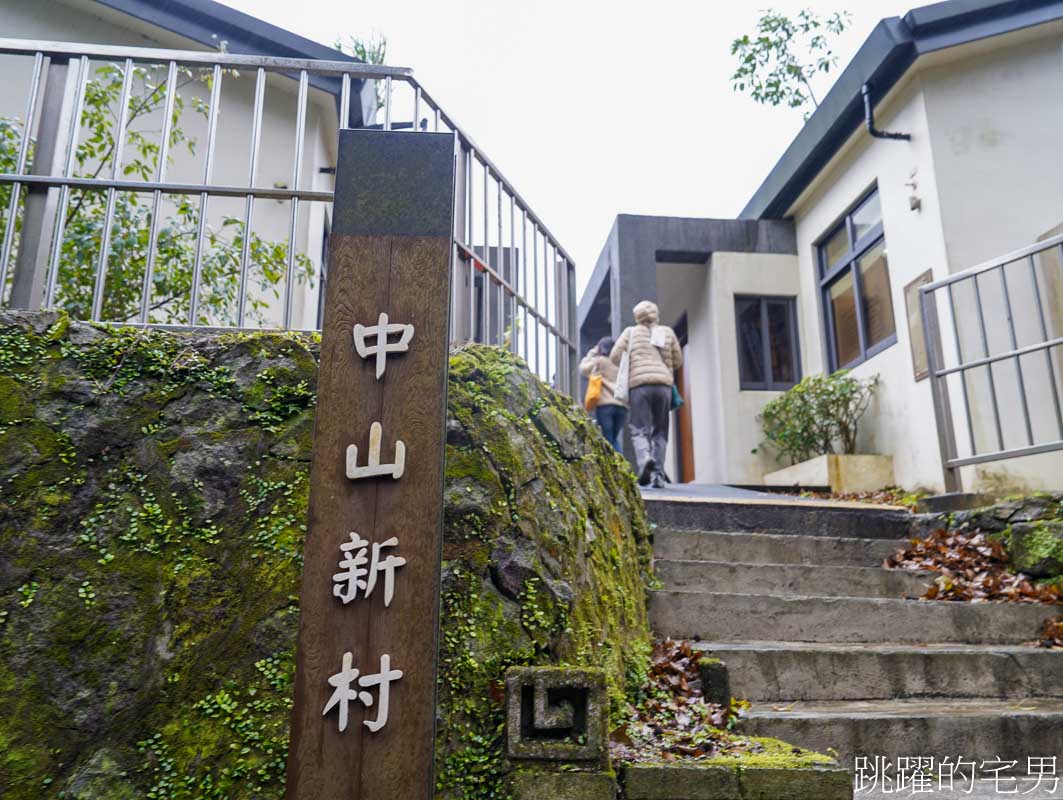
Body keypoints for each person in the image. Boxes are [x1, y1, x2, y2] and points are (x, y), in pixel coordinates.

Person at [610, 300, 682, 488]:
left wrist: (631, 361)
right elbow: (678, 360)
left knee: (638, 428)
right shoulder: (667, 332)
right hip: (663, 386)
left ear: (637, 317)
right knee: (660, 431)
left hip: (639, 386)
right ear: (656, 315)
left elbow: (614, 356)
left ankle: (645, 459)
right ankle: (658, 476)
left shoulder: (630, 332)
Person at [580, 336, 627, 452]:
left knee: (608, 439)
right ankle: (621, 464)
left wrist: (594, 351)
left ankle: (616, 467)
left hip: (605, 406)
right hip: (622, 406)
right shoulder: (622, 363)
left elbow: (583, 369)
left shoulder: (599, 361)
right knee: (614, 439)